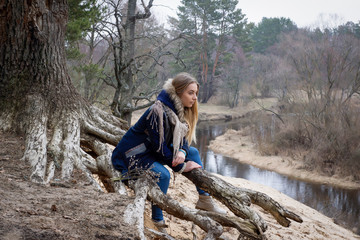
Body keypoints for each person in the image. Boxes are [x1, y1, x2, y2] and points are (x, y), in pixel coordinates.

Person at [111, 72, 225, 231]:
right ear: (178, 93)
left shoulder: (179, 110)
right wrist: (181, 167)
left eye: (196, 93)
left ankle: (205, 199)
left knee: (193, 153)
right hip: (134, 154)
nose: (195, 98)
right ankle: (157, 220)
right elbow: (159, 149)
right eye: (190, 93)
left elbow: (184, 139)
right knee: (163, 175)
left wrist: (183, 153)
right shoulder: (157, 111)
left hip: (152, 150)